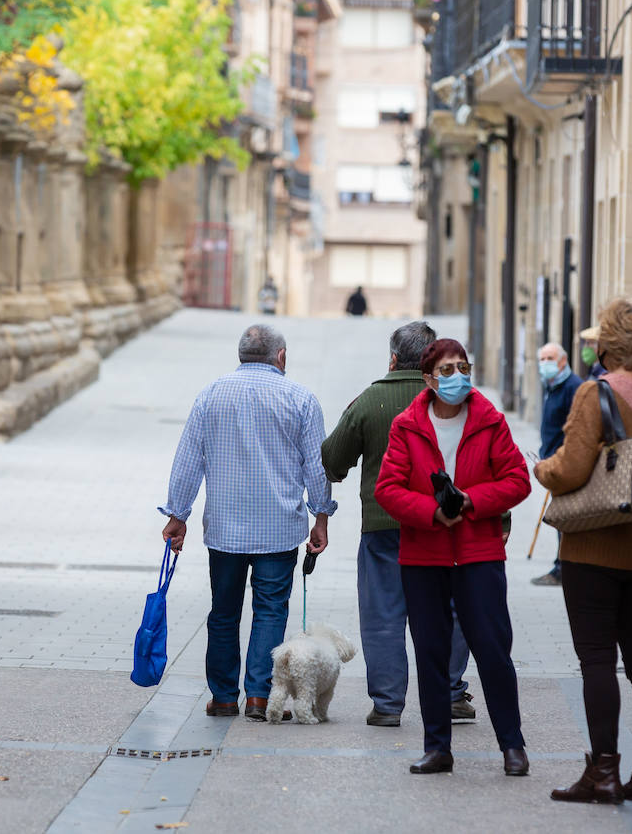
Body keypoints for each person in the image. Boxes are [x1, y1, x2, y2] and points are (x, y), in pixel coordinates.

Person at [535, 297, 632, 805]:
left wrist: (542, 468)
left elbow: (571, 470)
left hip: (595, 549)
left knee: (597, 660)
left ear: (608, 345)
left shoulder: (596, 393)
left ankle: (604, 773)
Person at [160, 324, 335, 721]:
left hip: (225, 529)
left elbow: (189, 460)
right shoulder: (301, 399)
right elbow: (317, 467)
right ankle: (259, 697)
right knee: (271, 610)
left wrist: (178, 515)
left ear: (240, 355)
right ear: (282, 357)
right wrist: (320, 517)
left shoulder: (210, 395)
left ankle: (223, 697)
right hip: (278, 529)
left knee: (223, 612)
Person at [374, 338, 532, 777]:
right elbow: (387, 488)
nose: (457, 376)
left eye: (463, 366)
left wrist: (469, 501)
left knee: (492, 649)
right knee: (430, 652)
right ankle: (437, 747)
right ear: (427, 379)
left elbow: (518, 480)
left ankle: (512, 745)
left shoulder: (489, 420)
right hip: (424, 556)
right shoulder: (407, 425)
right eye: (446, 370)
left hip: (478, 553)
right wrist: (430, 512)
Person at [321, 322, 477, 728]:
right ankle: (450, 692)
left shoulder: (371, 399)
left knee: (384, 615)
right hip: (447, 527)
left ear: (393, 358)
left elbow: (333, 460)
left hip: (384, 527)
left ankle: (389, 705)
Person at [530, 342, 583, 587]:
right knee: (561, 516)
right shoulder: (552, 385)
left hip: (563, 464)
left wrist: (559, 458)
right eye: (542, 359)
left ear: (563, 361)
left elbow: (575, 430)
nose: (545, 363)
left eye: (550, 358)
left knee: (564, 517)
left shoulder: (573, 387)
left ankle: (564, 568)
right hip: (551, 462)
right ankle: (563, 565)